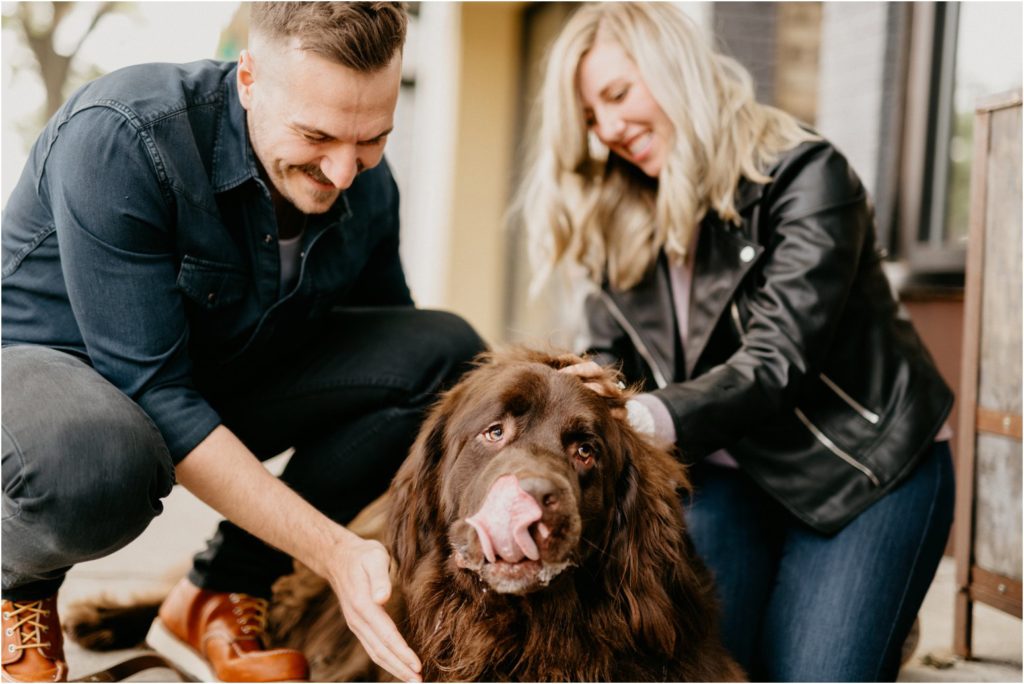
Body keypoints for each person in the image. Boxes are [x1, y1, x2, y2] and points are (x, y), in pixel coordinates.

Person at [1, 3, 483, 682]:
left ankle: (222, 591)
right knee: (99, 459)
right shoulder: (124, 133)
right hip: (44, 391)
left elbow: (390, 358)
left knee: (444, 358)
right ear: (249, 79)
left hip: (203, 378)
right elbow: (154, 392)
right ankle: (17, 591)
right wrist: (334, 552)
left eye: (373, 137)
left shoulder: (368, 183)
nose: (345, 171)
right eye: (316, 135)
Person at [520, 3, 955, 681]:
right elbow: (607, 366)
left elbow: (777, 358)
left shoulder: (806, 175)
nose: (608, 130)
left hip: (857, 471)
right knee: (693, 665)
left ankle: (874, 615)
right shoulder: (621, 210)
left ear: (673, 68)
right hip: (721, 479)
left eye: (615, 95)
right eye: (590, 118)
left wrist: (635, 420)